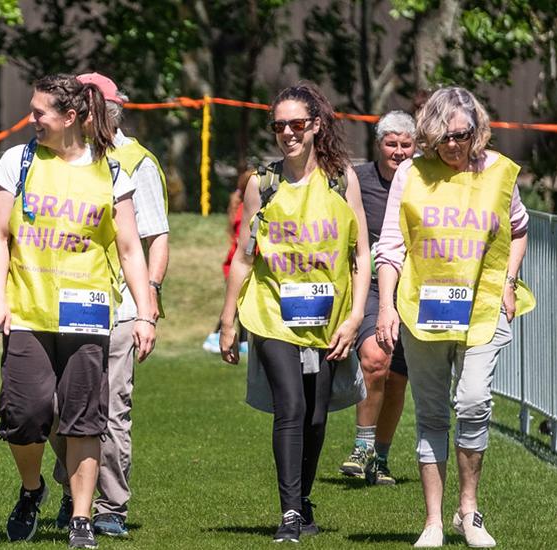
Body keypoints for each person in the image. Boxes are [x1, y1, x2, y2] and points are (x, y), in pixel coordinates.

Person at [0, 74, 156, 549]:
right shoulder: (17, 162)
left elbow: (130, 249)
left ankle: (82, 517)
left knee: (84, 418)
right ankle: (32, 489)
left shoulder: (110, 172)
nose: (32, 119)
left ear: (71, 117)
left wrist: (145, 313)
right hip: (28, 312)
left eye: (40, 112)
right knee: (24, 415)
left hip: (87, 315)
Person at [375, 87, 532, 548]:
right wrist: (385, 306)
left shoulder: (499, 172)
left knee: (474, 400)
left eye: (460, 135)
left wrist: (508, 282)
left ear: (476, 131)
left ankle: (469, 511)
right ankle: (433, 521)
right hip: (423, 310)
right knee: (430, 413)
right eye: (442, 137)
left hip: (482, 309)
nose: (451, 145)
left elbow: (519, 229)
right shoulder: (411, 174)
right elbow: (391, 246)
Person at [219, 82, 370, 543]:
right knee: (291, 406)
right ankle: (288, 513)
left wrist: (354, 318)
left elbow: (361, 255)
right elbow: (244, 257)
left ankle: (302, 499)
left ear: (315, 126)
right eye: (279, 125)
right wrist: (228, 321)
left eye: (297, 124)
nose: (288, 133)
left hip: (327, 318)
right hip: (271, 313)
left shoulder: (341, 179)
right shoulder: (262, 184)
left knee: (316, 416)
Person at [46, 72, 169, 538]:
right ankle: (73, 487)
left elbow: (155, 238)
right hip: (59, 303)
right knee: (56, 404)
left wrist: (148, 302)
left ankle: (110, 505)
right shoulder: (56, 158)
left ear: (106, 112)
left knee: (112, 408)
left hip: (117, 308)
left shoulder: (136, 161)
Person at [339, 111, 416, 485]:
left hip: (413, 289)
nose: (398, 152)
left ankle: (380, 460)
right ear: (378, 145)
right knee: (374, 358)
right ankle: (362, 447)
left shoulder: (424, 181)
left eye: (406, 145)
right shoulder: (358, 180)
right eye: (391, 144)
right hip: (369, 285)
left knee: (397, 378)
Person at [205, 169, 253, 354]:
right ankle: (219, 336)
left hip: (235, 263)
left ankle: (241, 340)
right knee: (238, 305)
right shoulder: (246, 209)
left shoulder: (240, 207)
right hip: (238, 265)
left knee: (241, 305)